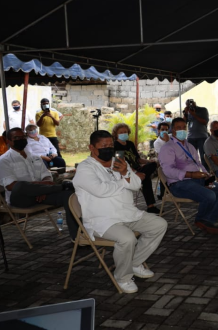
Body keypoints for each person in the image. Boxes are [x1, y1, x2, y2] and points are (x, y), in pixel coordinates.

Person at [73, 130, 168, 293]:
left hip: (127, 213)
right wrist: (124, 181)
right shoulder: (85, 168)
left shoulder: (118, 162)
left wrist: (125, 173)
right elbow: (100, 190)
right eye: (104, 146)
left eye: (111, 145)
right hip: (103, 220)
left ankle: (134, 263)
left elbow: (136, 185)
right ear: (92, 148)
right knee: (127, 238)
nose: (108, 148)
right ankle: (122, 277)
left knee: (159, 225)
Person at [0, 128, 77, 240]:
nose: (20, 139)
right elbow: (11, 186)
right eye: (16, 138)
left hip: (41, 195)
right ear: (8, 141)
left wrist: (41, 189)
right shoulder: (3, 161)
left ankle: (77, 236)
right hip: (20, 199)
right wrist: (42, 187)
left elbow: (47, 176)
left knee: (69, 195)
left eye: (22, 137)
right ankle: (62, 186)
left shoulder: (34, 157)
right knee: (20, 185)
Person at [159, 117, 218, 234]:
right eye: (178, 128)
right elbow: (168, 171)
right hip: (180, 184)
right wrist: (191, 175)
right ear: (173, 130)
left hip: (199, 180)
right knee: (210, 195)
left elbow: (198, 163)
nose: (182, 130)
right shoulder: (167, 148)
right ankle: (200, 219)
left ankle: (208, 220)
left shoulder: (189, 146)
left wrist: (207, 176)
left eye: (184, 127)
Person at [112, 124, 159, 214]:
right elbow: (120, 162)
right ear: (116, 134)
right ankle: (150, 206)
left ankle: (141, 178)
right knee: (146, 179)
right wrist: (135, 172)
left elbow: (138, 159)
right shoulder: (115, 145)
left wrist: (148, 161)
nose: (123, 134)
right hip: (128, 172)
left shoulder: (130, 144)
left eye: (125, 132)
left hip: (139, 170)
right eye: (121, 132)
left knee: (152, 166)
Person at [183, 99, 209, 167]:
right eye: (188, 104)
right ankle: (194, 171)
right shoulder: (187, 111)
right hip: (191, 137)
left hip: (202, 136)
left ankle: (206, 171)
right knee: (191, 157)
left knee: (203, 157)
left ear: (194, 103)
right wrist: (185, 114)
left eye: (191, 103)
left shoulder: (203, 110)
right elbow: (183, 123)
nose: (190, 105)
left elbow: (205, 122)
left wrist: (193, 114)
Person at [153, 121, 170, 200]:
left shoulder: (171, 137)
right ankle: (164, 193)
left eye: (166, 130)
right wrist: (167, 142)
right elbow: (163, 155)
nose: (164, 131)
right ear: (159, 130)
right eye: (162, 129)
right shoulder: (157, 142)